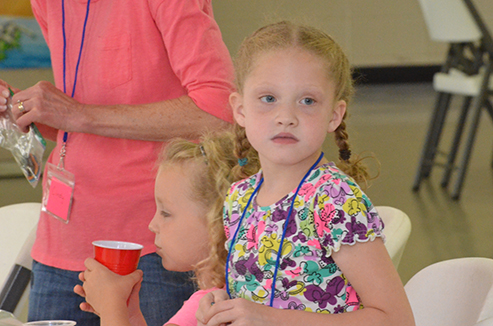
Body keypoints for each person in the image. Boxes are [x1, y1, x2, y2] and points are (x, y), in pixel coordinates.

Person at [0, 1, 234, 325]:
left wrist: (77, 114)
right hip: (59, 241)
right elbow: (80, 127)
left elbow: (219, 112)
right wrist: (23, 109)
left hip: (149, 245)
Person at [195, 21, 416, 326]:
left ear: (334, 115)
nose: (286, 117)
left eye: (307, 101)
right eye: (268, 98)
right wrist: (225, 305)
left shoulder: (334, 201)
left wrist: (268, 318)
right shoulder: (239, 196)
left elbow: (396, 320)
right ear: (240, 109)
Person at [73, 132, 260, 326]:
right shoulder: (226, 295)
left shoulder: (212, 306)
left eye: (166, 213)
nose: (152, 225)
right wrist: (126, 313)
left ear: (218, 221)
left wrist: (111, 306)